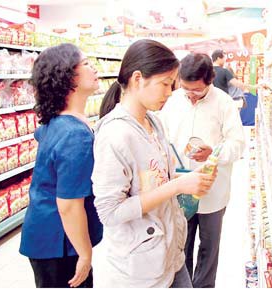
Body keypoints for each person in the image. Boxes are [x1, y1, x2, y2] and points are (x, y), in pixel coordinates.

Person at [92, 39, 216, 288]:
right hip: (141, 269)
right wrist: (177, 186)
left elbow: (157, 179)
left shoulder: (154, 122)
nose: (170, 92)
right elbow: (110, 212)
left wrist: (190, 180)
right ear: (138, 79)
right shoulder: (115, 135)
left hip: (171, 255)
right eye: (165, 84)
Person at [19, 43, 103, 288]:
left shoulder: (58, 122)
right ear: (67, 75)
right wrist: (85, 254)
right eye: (86, 63)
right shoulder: (74, 134)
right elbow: (68, 204)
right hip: (59, 243)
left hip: (48, 235)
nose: (94, 68)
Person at [159, 53, 245, 288]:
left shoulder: (224, 103)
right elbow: (161, 137)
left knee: (209, 247)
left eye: (196, 90)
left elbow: (238, 144)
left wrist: (213, 152)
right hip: (179, 187)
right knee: (180, 245)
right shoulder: (173, 100)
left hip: (212, 191)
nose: (191, 95)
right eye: (186, 89)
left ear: (210, 80)